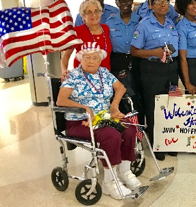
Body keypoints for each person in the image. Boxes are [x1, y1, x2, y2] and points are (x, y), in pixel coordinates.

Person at [57, 43, 141, 200]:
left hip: (104, 118)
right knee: (112, 135)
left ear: (100, 60)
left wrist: (114, 105)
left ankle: (124, 172)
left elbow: (121, 88)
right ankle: (109, 182)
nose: (91, 61)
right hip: (80, 123)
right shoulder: (73, 76)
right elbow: (61, 100)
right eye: (87, 57)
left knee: (129, 128)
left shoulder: (104, 73)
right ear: (80, 59)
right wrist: (84, 108)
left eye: (95, 57)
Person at [131, 0, 179, 161]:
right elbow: (134, 51)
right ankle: (156, 143)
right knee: (153, 108)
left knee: (171, 106)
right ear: (151, 6)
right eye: (158, 2)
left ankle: (169, 141)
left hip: (171, 69)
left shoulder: (171, 24)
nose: (163, 4)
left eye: (165, 1)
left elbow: (174, 48)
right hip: (152, 70)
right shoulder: (144, 25)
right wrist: (155, 52)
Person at [106, 0, 144, 124]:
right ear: (117, 3)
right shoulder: (110, 22)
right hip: (118, 61)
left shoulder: (141, 20)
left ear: (132, 1)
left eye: (127, 0)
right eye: (121, 1)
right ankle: (125, 125)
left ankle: (140, 126)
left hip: (137, 60)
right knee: (122, 95)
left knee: (139, 93)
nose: (124, 3)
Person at [61, 0, 112, 79]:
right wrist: (64, 71)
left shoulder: (106, 29)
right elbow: (66, 55)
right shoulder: (77, 31)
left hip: (104, 78)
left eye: (96, 11)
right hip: (83, 78)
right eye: (89, 12)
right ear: (83, 16)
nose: (94, 15)